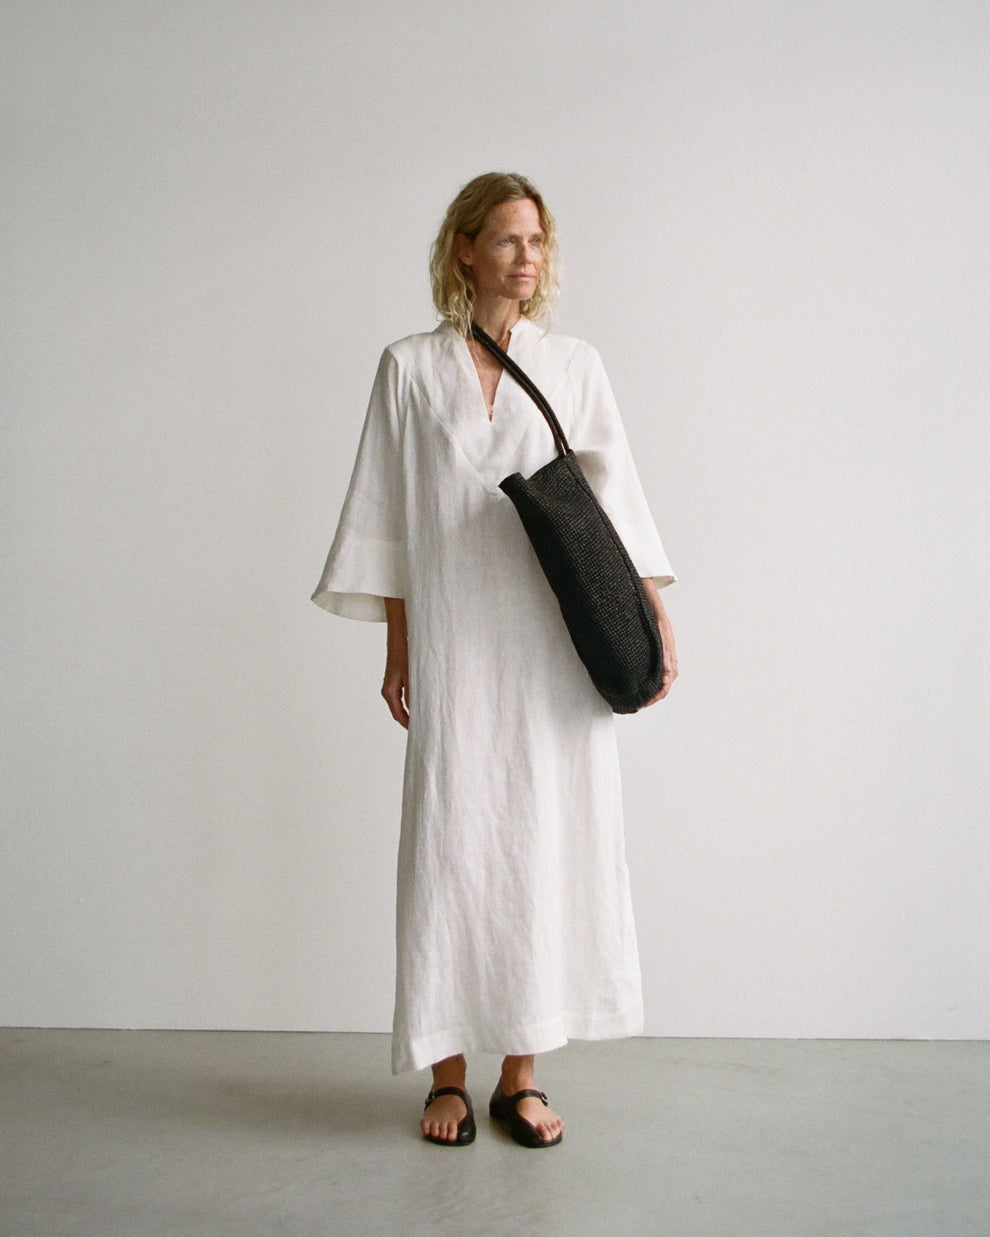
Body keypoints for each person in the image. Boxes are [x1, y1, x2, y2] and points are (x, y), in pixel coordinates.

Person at [312, 172, 677, 1149]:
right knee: (452, 841)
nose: (528, 257)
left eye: (538, 240)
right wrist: (400, 644)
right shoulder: (408, 368)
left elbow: (615, 504)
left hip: (552, 642)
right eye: (508, 238)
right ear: (464, 247)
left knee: (542, 840)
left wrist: (651, 618)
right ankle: (446, 1072)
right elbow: (390, 517)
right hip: (457, 638)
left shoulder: (575, 364)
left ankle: (520, 1074)